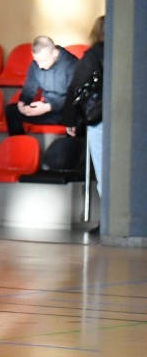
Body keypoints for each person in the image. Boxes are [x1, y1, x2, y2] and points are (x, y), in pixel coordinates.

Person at [63, 16, 105, 232]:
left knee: (104, 169)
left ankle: (107, 220)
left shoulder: (93, 55)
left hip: (100, 118)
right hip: (129, 121)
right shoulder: (132, 53)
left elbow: (77, 88)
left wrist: (71, 120)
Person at [5, 36, 78, 136]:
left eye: (43, 61)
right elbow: (29, 87)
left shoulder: (72, 64)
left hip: (65, 109)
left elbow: (73, 96)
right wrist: (23, 103)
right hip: (46, 109)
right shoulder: (36, 64)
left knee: (77, 115)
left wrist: (49, 106)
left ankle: (71, 148)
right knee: (12, 111)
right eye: (37, 61)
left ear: (54, 53)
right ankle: (19, 146)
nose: (40, 65)